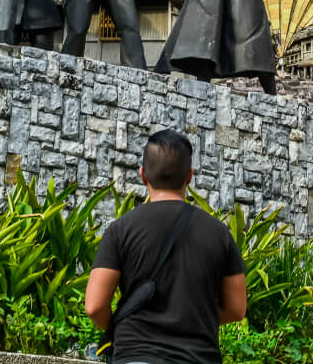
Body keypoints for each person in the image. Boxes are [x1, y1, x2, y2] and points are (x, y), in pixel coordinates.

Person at [85, 130, 247, 364]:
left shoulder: (121, 229)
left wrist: (124, 328)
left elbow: (94, 306)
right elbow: (236, 308)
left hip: (135, 356)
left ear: (142, 175)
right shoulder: (219, 234)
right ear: (189, 177)